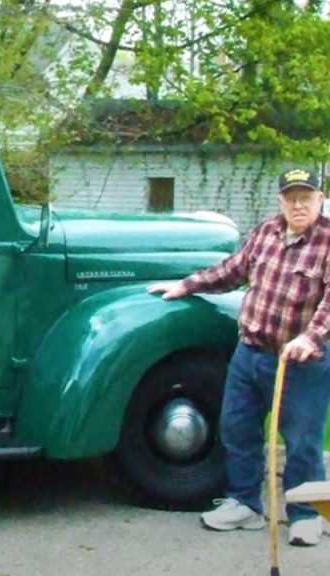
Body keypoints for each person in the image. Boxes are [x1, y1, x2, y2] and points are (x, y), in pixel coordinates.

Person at [147, 167, 330, 547]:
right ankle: (245, 503)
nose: (298, 204)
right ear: (281, 200)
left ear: (319, 198)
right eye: (291, 196)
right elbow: (232, 271)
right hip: (250, 354)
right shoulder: (266, 232)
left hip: (299, 362)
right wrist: (186, 285)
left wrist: (312, 337)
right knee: (237, 429)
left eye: (306, 196)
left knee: (302, 442)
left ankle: (307, 514)